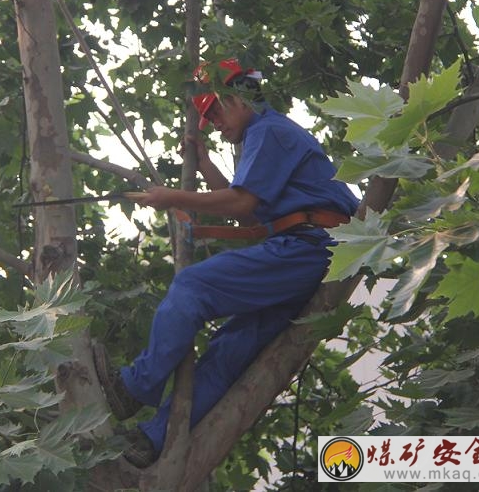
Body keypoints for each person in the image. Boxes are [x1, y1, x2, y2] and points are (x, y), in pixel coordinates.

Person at [93, 58, 360, 468]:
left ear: (236, 96)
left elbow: (241, 203)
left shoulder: (266, 130)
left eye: (214, 111)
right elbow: (249, 215)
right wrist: (204, 166)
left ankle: (135, 386)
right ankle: (153, 439)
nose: (215, 123)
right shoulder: (267, 134)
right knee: (227, 351)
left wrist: (172, 197)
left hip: (305, 248)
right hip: (313, 254)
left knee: (192, 287)